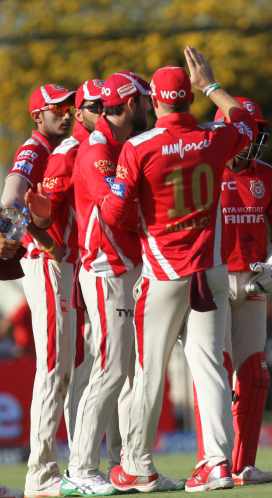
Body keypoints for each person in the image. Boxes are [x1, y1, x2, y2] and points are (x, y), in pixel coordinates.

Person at [100, 47, 257, 492]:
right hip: (209, 268)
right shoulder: (214, 137)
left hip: (165, 271)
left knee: (150, 371)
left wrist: (137, 220)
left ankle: (138, 464)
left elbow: (112, 214)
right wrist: (211, 82)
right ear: (189, 96)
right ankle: (217, 464)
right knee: (209, 367)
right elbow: (244, 118)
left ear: (154, 99)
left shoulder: (138, 146)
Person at [190, 97, 272, 486]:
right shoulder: (204, 171)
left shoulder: (268, 176)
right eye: (248, 131)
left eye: (258, 131)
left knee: (255, 373)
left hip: (253, 281)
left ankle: (242, 464)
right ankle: (209, 461)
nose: (254, 140)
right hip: (213, 280)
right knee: (213, 372)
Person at [64, 71, 152, 496]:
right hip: (104, 266)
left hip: (127, 264)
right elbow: (112, 209)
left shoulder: (119, 145)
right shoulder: (97, 149)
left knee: (133, 370)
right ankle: (80, 467)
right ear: (130, 104)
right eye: (143, 99)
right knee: (112, 367)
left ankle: (130, 465)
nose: (149, 106)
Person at [1, 82, 77, 498]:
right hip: (42, 263)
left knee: (65, 366)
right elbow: (12, 189)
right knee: (52, 367)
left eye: (69, 107)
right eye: (56, 109)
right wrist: (9, 230)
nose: (65, 114)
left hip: (58, 262)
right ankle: (41, 475)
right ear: (38, 117)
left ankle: (68, 467)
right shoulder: (36, 148)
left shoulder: (63, 148)